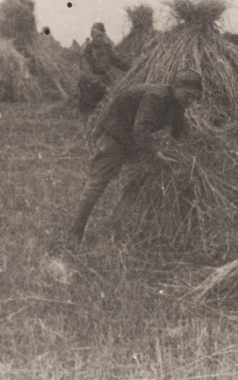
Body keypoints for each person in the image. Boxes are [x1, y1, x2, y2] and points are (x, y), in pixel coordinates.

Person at [68, 69, 203, 248]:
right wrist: (157, 153)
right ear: (177, 87)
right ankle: (75, 234)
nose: (190, 101)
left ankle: (126, 225)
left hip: (134, 138)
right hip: (116, 134)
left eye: (194, 97)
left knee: (145, 176)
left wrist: (190, 150)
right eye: (188, 95)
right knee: (98, 183)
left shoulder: (177, 103)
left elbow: (179, 131)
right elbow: (141, 129)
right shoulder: (157, 97)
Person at [78, 23, 130, 113]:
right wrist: (102, 86)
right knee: (87, 108)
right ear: (92, 35)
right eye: (97, 36)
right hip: (91, 82)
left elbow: (118, 61)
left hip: (105, 78)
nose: (99, 39)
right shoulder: (86, 50)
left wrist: (131, 68)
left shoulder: (107, 48)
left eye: (101, 36)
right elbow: (87, 72)